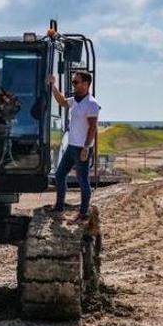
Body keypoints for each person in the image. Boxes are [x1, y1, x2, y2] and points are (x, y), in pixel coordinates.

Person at [47, 71, 100, 223]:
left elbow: (92, 128)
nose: (73, 85)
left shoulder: (91, 104)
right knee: (59, 175)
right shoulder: (75, 100)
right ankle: (59, 208)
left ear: (85, 84)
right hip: (71, 147)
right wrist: (53, 86)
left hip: (81, 148)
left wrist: (86, 148)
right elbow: (62, 102)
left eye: (76, 82)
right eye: (73, 82)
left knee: (83, 180)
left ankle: (83, 214)